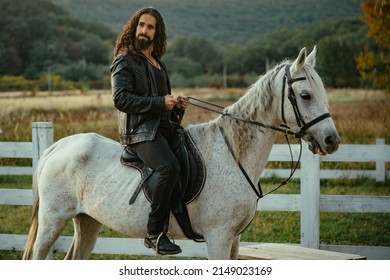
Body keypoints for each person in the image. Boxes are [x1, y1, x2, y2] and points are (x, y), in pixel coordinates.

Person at [110, 7, 189, 255]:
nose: (144, 30)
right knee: (170, 167)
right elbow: (121, 99)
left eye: (150, 27)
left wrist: (176, 105)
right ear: (134, 27)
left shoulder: (159, 64)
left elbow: (162, 103)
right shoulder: (125, 60)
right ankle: (154, 233)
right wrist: (159, 103)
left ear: (157, 33)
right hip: (139, 132)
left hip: (162, 129)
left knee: (193, 156)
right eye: (141, 25)